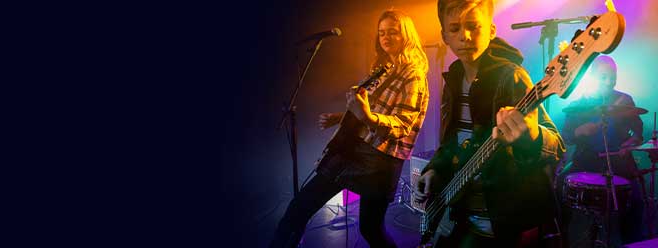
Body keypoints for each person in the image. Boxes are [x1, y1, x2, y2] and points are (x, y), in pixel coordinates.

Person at [269, 10, 430, 248]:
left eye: (393, 32)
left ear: (406, 35)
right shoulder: (385, 68)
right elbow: (372, 109)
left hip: (379, 160)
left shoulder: (413, 75)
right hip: (357, 150)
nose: (385, 37)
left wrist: (364, 115)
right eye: (382, 32)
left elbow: (402, 125)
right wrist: (340, 117)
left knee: (369, 229)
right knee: (301, 208)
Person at [413, 0, 566, 246]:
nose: (465, 36)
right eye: (455, 29)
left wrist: (530, 136)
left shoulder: (512, 76)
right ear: (444, 37)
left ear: (492, 31)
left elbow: (556, 145)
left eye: (474, 26)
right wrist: (434, 169)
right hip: (461, 221)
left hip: (505, 225)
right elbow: (451, 142)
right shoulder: (453, 78)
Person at [559, 55, 645, 245]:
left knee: (636, 202)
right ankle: (562, 239)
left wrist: (631, 142)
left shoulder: (625, 100)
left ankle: (631, 242)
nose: (609, 81)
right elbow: (566, 136)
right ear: (592, 77)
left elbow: (638, 133)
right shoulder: (579, 105)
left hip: (619, 162)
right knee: (559, 186)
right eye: (603, 77)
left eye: (612, 77)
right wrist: (579, 131)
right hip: (586, 161)